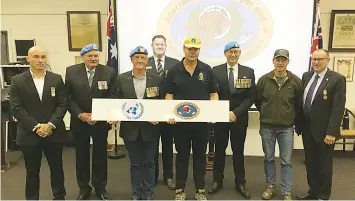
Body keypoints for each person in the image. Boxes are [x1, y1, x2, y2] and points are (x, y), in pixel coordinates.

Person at [164, 37, 219, 200]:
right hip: (181, 124)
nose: (192, 51)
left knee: (200, 156)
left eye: (195, 49)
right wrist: (170, 114)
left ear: (199, 51)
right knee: (182, 156)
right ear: (184, 49)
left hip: (201, 124)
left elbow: (214, 94)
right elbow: (169, 95)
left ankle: (200, 189)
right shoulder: (174, 70)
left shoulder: (207, 70)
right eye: (189, 48)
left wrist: (213, 113)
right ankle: (180, 189)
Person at [9, 46, 67, 200]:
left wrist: (50, 125)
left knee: (57, 169)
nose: (40, 60)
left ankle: (59, 197)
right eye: (36, 57)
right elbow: (16, 108)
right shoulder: (17, 81)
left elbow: (62, 104)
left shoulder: (56, 79)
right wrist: (36, 126)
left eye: (43, 57)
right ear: (28, 59)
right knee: (32, 171)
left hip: (53, 133)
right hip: (30, 135)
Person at [65, 44, 117, 200]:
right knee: (81, 155)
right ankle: (83, 188)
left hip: (100, 122)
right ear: (83, 57)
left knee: (100, 155)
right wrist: (80, 114)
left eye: (96, 56)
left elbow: (113, 96)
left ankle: (100, 187)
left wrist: (98, 114)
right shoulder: (71, 71)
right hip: (80, 121)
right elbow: (67, 97)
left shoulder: (109, 72)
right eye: (90, 56)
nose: (93, 58)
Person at [296, 49, 346, 200]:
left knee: (323, 165)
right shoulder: (306, 76)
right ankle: (313, 191)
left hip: (325, 132)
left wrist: (331, 132)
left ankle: (323, 196)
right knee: (310, 163)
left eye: (320, 59)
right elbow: (302, 100)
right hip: (307, 128)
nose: (316, 62)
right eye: (314, 59)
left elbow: (338, 108)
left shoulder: (337, 79)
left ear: (327, 60)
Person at [208, 42, 255, 199]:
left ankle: (240, 183)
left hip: (239, 119)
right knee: (219, 151)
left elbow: (251, 97)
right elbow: (213, 94)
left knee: (238, 151)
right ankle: (217, 181)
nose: (233, 55)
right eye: (230, 52)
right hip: (220, 119)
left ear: (240, 53)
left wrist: (236, 112)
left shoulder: (249, 72)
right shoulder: (215, 71)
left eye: (235, 52)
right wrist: (220, 113)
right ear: (225, 53)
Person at [115, 46, 161, 200]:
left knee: (149, 163)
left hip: (151, 129)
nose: (140, 60)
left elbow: (162, 103)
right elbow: (116, 101)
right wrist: (113, 114)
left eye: (143, 58)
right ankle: (136, 193)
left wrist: (158, 116)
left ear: (147, 60)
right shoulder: (121, 79)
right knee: (135, 164)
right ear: (131, 60)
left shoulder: (156, 79)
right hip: (130, 130)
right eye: (137, 58)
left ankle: (148, 194)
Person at [255, 49, 302, 200]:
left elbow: (298, 103)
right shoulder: (263, 80)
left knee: (286, 160)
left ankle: (286, 191)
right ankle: (270, 187)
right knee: (268, 158)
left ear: (288, 62)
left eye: (283, 60)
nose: (280, 63)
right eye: (278, 60)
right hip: (267, 126)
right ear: (273, 61)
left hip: (286, 128)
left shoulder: (295, 81)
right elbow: (258, 101)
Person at [147, 35, 179, 189]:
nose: (159, 47)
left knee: (167, 146)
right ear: (152, 46)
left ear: (166, 46)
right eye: (156, 44)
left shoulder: (175, 64)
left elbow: (178, 88)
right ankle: (152, 176)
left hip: (168, 113)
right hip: (151, 113)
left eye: (162, 44)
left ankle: (168, 176)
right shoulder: (144, 62)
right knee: (152, 147)